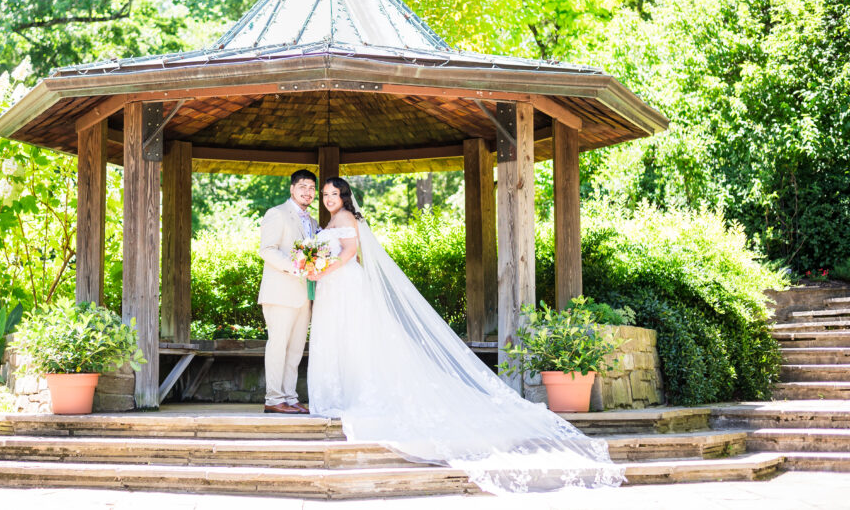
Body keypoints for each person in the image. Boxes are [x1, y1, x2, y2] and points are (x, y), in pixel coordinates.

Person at [305, 176, 625, 493]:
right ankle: (338, 392)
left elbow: (349, 252)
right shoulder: (329, 221)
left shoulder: (346, 218)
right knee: (337, 340)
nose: (328, 198)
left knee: (354, 340)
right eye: (325, 194)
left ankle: (353, 393)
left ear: (344, 196)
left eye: (334, 194)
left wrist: (322, 269)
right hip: (332, 288)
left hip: (345, 285)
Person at [257, 169, 319, 414]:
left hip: (304, 295)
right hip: (280, 292)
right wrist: (297, 267)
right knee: (278, 345)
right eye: (303, 186)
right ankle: (273, 399)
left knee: (295, 349)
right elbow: (267, 250)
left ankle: (290, 397)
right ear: (292, 189)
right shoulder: (277, 214)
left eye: (312, 188)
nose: (308, 192)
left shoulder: (313, 222)